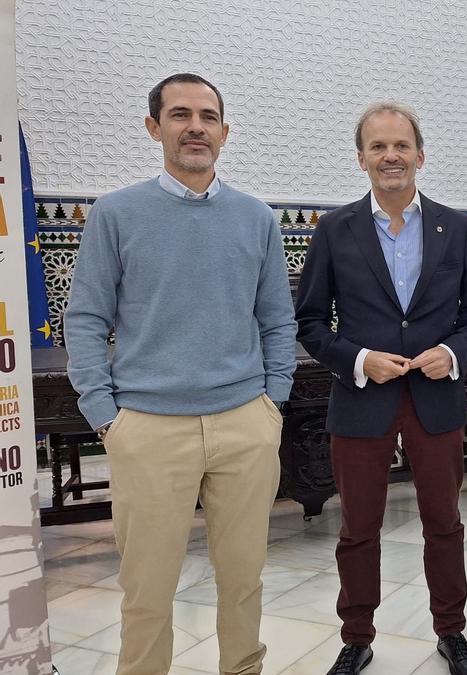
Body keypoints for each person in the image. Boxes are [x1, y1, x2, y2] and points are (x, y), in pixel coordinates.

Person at [64, 73, 297, 675]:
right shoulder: (115, 214)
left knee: (243, 579)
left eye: (208, 116)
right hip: (146, 429)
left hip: (245, 424)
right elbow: (86, 316)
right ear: (154, 127)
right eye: (180, 115)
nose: (195, 126)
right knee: (147, 590)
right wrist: (105, 415)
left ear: (224, 131)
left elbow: (277, 321)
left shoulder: (256, 218)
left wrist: (272, 403)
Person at [294, 102, 467, 675]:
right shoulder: (333, 230)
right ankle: (356, 636)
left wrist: (451, 352)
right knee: (358, 528)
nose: (390, 156)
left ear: (420, 156)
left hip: (436, 401)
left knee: (444, 523)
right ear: (361, 159)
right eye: (378, 147)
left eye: (401, 145)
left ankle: (451, 632)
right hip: (360, 401)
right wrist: (358, 359)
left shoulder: (456, 228)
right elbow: (309, 323)